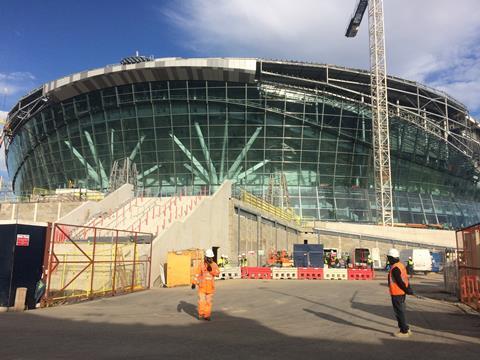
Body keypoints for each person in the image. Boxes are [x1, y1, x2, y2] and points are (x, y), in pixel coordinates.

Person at [387, 248, 414, 337]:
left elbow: (399, 281)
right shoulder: (400, 265)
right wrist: (408, 289)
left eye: (389, 258)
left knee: (399, 312)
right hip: (401, 293)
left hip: (397, 293)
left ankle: (404, 331)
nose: (388, 259)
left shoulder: (395, 268)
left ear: (392, 258)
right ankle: (405, 328)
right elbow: (406, 278)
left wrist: (407, 290)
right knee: (400, 311)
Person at [191, 249, 220, 321]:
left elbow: (217, 273)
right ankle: (201, 314)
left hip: (210, 287)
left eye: (211, 258)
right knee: (202, 301)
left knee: (208, 302)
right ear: (205, 257)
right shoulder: (201, 265)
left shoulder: (214, 264)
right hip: (202, 287)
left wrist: (212, 270)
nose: (210, 259)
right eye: (209, 258)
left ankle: (207, 315)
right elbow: (197, 273)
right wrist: (194, 283)